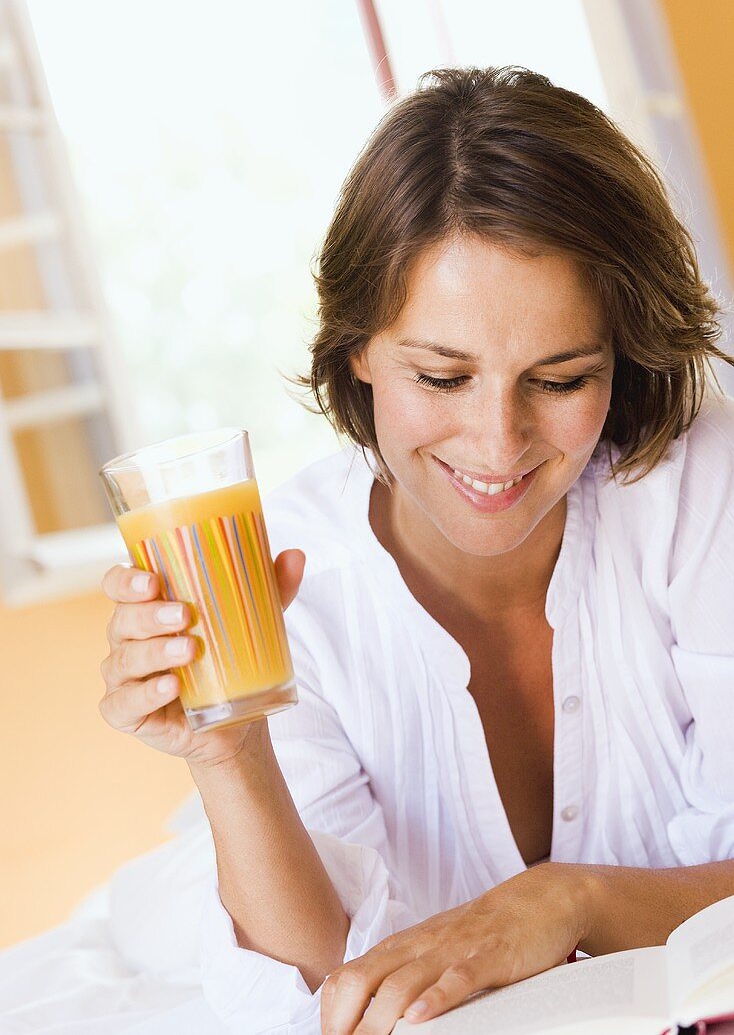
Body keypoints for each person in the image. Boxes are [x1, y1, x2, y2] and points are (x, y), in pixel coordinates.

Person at [99, 66, 734, 1035]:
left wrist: (570, 900)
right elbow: (326, 987)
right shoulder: (288, 577)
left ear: (622, 355)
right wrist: (231, 759)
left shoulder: (696, 483)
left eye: (559, 377)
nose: (495, 441)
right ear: (354, 346)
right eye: (441, 375)